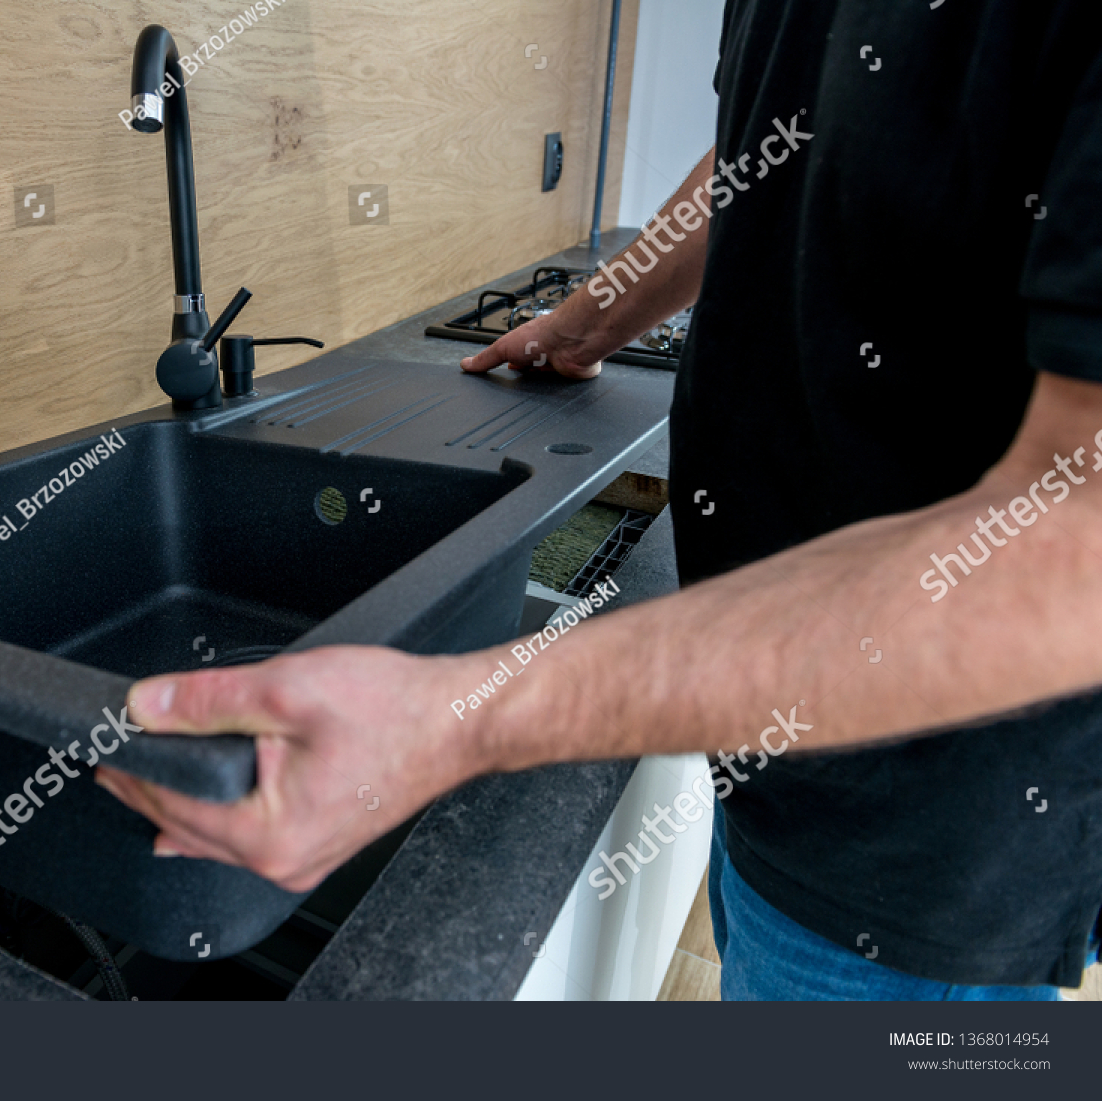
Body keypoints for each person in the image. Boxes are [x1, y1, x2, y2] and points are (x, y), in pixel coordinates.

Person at [95, 0, 1102, 999]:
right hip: (779, 721)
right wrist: (587, 322)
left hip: (931, 842)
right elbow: (770, 145)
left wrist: (456, 721)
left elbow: (1077, 550)